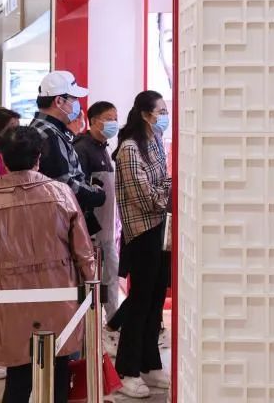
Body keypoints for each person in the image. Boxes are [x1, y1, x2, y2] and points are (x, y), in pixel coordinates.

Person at [0, 126, 95, 403]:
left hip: (11, 297)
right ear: (38, 157)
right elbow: (83, 250)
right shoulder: (61, 192)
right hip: (60, 295)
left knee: (18, 375)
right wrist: (91, 290)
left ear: (4, 159)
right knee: (60, 370)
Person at [113, 91, 172, 399]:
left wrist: (164, 188)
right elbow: (146, 197)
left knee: (155, 301)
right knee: (139, 303)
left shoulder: (156, 139)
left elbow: (164, 182)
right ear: (146, 114)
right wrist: (166, 190)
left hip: (161, 229)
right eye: (160, 111)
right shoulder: (130, 148)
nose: (164, 115)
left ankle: (150, 363)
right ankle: (127, 369)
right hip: (141, 234)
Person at [29, 70, 105, 235]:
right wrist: (95, 194)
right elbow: (63, 184)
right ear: (59, 101)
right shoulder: (49, 135)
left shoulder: (42, 128)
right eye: (74, 99)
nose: (77, 104)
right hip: (56, 224)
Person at [74, 102, 121, 326]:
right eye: (109, 119)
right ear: (93, 121)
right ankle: (88, 325)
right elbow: (79, 190)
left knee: (111, 272)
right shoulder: (82, 148)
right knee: (91, 277)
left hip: (108, 228)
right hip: (92, 229)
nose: (114, 123)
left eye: (115, 118)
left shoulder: (105, 148)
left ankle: (112, 320)